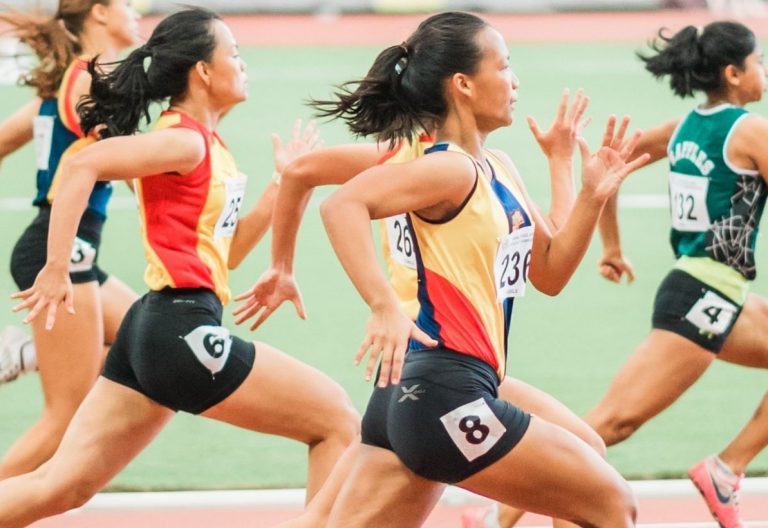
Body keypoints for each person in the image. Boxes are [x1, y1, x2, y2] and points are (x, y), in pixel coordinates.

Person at [0, 8, 358, 527]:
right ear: (204, 72)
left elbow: (227, 255)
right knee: (336, 420)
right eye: (232, 53)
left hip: (153, 327)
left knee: (63, 484)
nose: (243, 63)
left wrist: (279, 188)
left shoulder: (210, 148)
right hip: (178, 328)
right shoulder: (184, 140)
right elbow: (81, 165)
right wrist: (57, 266)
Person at [290, 11, 647, 527]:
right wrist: (382, 305)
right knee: (613, 504)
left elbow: (550, 271)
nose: (515, 80)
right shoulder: (448, 167)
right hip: (442, 388)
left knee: (586, 446)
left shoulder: (497, 167)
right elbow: (341, 206)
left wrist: (587, 190)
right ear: (463, 84)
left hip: (423, 390)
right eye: (503, 66)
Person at [585, 21, 768, 528]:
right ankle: (495, 512)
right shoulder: (751, 130)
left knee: (609, 424)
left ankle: (726, 469)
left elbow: (608, 169)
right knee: (611, 423)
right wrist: (611, 246)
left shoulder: (680, 126)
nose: (765, 73)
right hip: (703, 296)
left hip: (709, 290)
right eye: (759, 63)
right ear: (734, 73)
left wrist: (614, 248)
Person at [0, 0, 143, 480]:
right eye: (126, 3)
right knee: (65, 416)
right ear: (100, 13)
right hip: (59, 253)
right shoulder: (89, 80)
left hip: (67, 251)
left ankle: (31, 354)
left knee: (147, 342)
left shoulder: (65, 83)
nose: (136, 10)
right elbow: (127, 164)